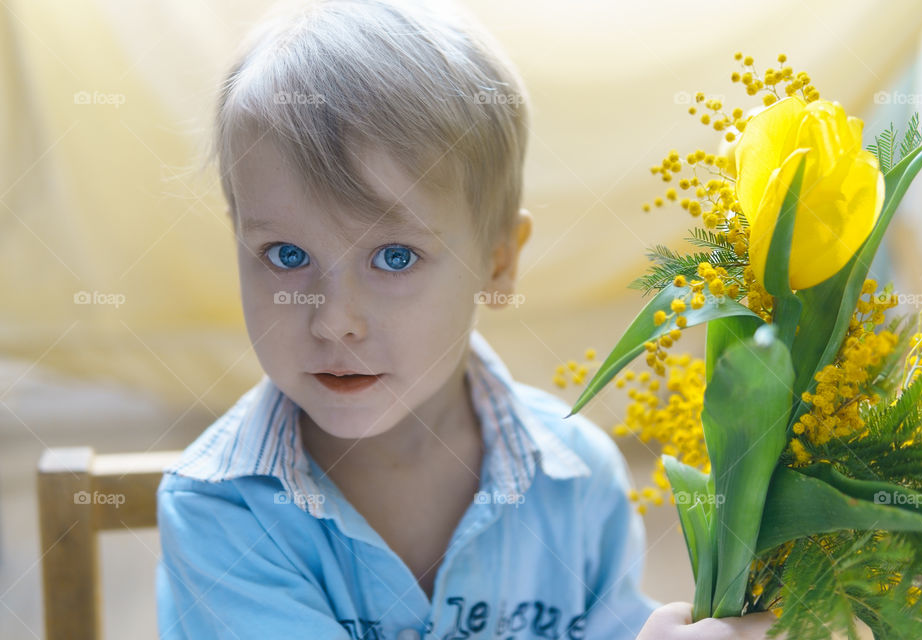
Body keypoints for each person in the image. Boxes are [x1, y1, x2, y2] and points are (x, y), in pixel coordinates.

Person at [155, 0, 780, 637]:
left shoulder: (575, 477)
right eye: (286, 255)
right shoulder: (219, 511)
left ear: (497, 264)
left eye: (394, 257)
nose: (333, 320)